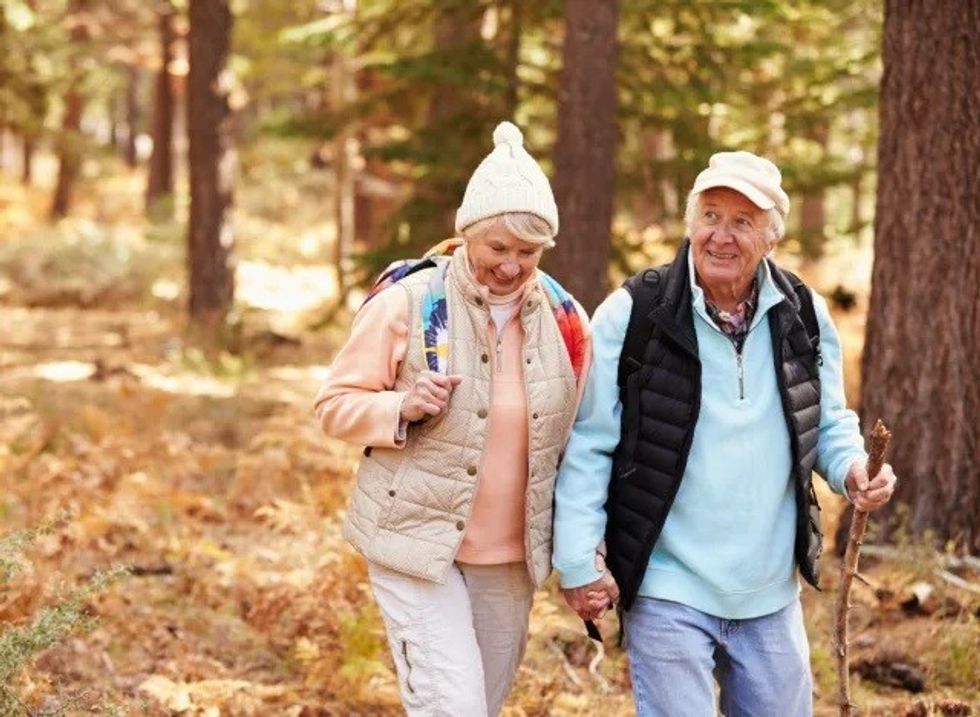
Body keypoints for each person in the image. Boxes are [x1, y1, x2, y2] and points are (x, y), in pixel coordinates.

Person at [553, 150, 897, 716]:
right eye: (711, 215)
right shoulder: (633, 312)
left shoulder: (803, 313)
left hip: (769, 591)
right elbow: (590, 442)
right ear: (691, 224)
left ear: (771, 237)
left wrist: (854, 470)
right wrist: (577, 559)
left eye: (742, 221)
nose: (721, 236)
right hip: (667, 584)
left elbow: (828, 420)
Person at [315, 121, 590, 716]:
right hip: (414, 543)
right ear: (466, 235)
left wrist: (585, 548)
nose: (512, 266)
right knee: (452, 709)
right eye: (497, 248)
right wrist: (400, 407)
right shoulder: (409, 303)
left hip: (512, 560)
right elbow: (333, 406)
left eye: (528, 252)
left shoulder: (566, 321)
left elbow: (582, 445)